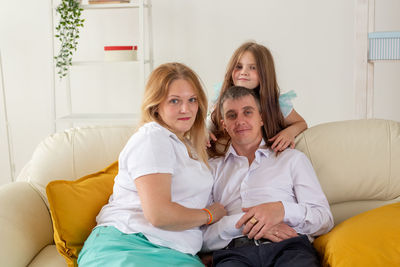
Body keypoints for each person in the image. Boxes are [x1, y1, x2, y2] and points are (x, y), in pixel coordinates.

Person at [78, 62, 226, 267]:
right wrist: (209, 215)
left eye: (192, 100)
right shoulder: (153, 137)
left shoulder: (189, 145)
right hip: (130, 242)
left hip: (177, 253)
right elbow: (159, 215)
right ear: (156, 105)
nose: (186, 109)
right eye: (174, 101)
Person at [203, 86, 333, 267]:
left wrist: (282, 210)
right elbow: (201, 237)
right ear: (224, 123)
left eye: (247, 112)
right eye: (232, 115)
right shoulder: (211, 170)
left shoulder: (292, 159)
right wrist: (251, 224)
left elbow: (324, 220)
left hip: (289, 249)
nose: (240, 121)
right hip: (234, 254)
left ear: (261, 118)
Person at [209, 41, 307, 156]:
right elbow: (210, 120)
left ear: (264, 73)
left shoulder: (276, 103)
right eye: (239, 67)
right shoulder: (224, 97)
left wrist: (290, 132)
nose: (244, 72)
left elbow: (301, 123)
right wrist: (205, 131)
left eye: (253, 68)